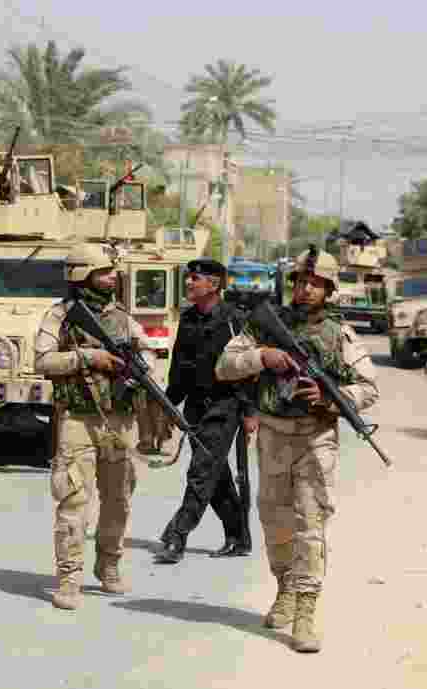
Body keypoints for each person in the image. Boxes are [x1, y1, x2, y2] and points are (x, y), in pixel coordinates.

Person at [215, 246, 379, 652]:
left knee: (311, 523)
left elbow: (369, 387)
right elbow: (224, 366)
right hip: (272, 434)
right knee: (274, 522)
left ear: (329, 290)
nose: (305, 289)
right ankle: (285, 587)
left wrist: (329, 395)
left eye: (315, 284)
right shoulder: (268, 324)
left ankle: (305, 610)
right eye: (300, 282)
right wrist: (262, 357)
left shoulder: (340, 334)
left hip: (315, 437)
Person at [34, 242, 155, 610]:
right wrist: (88, 357)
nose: (112, 277)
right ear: (82, 275)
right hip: (78, 420)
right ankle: (69, 577)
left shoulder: (123, 317)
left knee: (118, 499)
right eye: (104, 272)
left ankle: (109, 565)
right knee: (74, 500)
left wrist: (140, 370)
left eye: (112, 271)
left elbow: (148, 352)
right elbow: (43, 361)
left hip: (120, 419)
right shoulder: (60, 316)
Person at [156, 258, 251, 563]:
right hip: (196, 408)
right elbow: (179, 370)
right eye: (188, 278)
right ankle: (238, 536)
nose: (188, 283)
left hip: (226, 406)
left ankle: (177, 535)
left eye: (194, 278)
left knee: (200, 472)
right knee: (216, 475)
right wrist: (169, 407)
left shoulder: (235, 319)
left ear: (213, 285)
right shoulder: (187, 319)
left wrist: (250, 412)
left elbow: (250, 371)